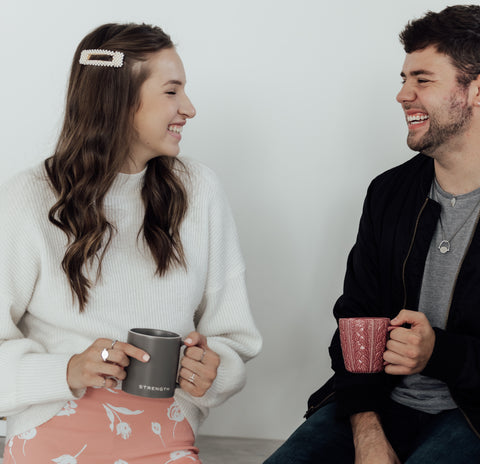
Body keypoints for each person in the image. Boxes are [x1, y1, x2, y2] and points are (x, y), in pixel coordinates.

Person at [0, 23, 262, 463]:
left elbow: (231, 339)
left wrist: (213, 372)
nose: (189, 108)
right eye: (172, 92)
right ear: (118, 100)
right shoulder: (28, 198)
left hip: (165, 436)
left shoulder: (199, 191)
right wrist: (66, 370)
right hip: (51, 430)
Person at [265, 5, 480, 464]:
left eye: (423, 80)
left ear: (476, 89)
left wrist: (440, 354)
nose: (403, 94)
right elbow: (356, 320)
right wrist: (366, 431)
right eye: (403, 79)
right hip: (377, 404)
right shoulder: (390, 193)